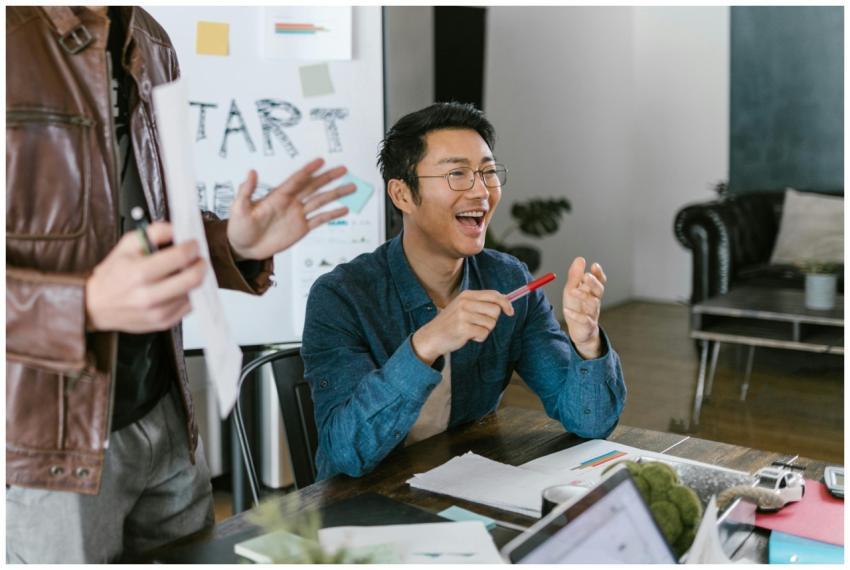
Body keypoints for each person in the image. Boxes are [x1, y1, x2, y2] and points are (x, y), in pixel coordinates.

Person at [6, 6, 354, 563]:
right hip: (48, 440)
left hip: (165, 411)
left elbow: (152, 216)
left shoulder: (149, 36)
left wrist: (234, 244)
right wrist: (86, 303)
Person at [301, 102, 627, 481]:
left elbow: (591, 423)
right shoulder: (341, 297)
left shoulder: (508, 280)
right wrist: (427, 344)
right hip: (360, 507)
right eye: (457, 174)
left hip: (464, 482)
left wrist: (587, 343)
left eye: (488, 172)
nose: (481, 191)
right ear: (402, 195)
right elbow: (346, 453)